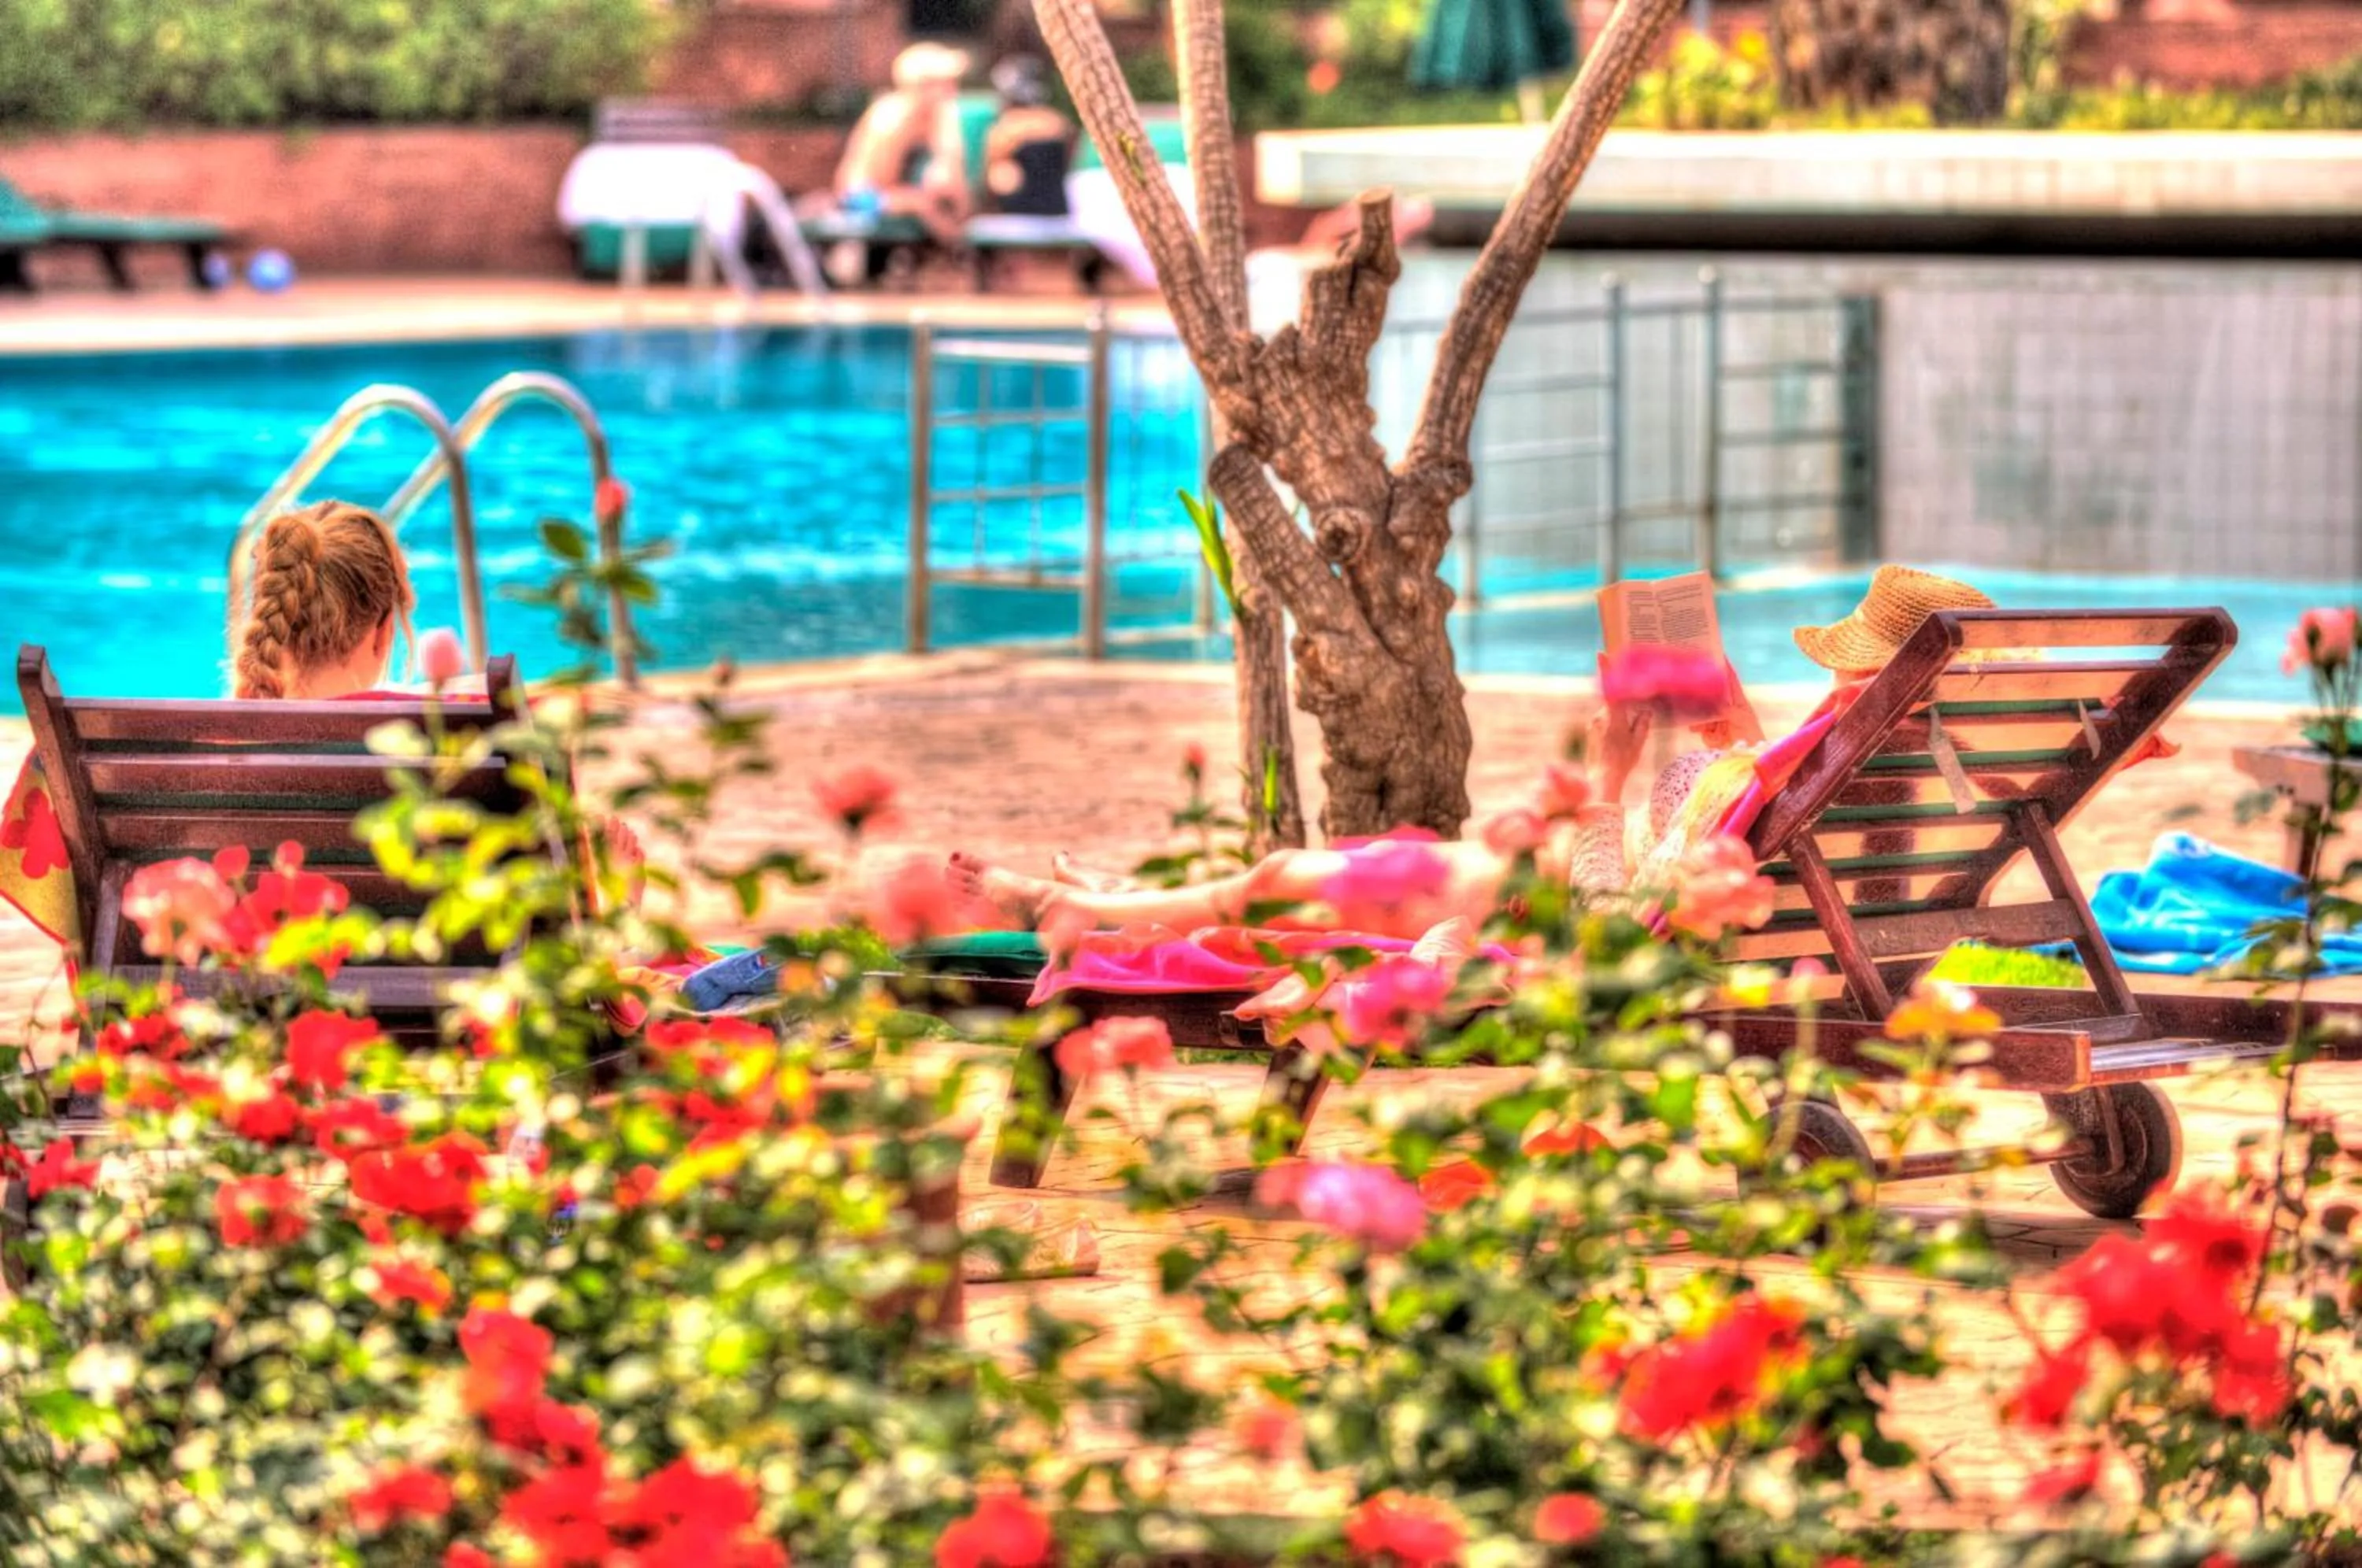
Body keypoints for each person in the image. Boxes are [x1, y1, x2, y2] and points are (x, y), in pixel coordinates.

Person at [947, 567, 2005, 935]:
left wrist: (1609, 779)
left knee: (1287, 878)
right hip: (1721, 899)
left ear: (1874, 675)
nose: (1832, 678)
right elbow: (1763, 820)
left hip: (1586, 910)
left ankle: (1083, 912)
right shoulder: (1911, 755)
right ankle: (1122, 898)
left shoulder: (1838, 754)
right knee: (1327, 873)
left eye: (1851, 663)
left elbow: (1620, 915)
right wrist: (1726, 740)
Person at [0, 501, 643, 952]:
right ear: (385, 628)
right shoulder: (480, 742)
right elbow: (555, 953)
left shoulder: (143, 755)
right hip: (446, 1023)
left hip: (221, 1024)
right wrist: (612, 904)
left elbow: (88, 935)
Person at [831, 42, 972, 253]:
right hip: (860, 198)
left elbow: (953, 181)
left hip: (906, 195)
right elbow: (878, 184)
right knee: (927, 208)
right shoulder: (891, 121)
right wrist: (921, 200)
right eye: (945, 83)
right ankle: (957, 256)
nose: (953, 90)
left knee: (945, 204)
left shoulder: (941, 117)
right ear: (920, 86)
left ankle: (959, 257)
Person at [979, 56, 1072, 217]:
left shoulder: (1005, 128)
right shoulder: (1057, 122)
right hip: (1058, 204)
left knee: (1001, 172)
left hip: (1020, 205)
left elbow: (992, 165)